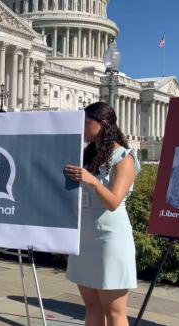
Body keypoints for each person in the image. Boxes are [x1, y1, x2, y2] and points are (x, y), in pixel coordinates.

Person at [64, 102, 140, 326]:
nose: (83, 129)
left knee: (115, 312)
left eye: (87, 124)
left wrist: (91, 180)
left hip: (111, 239)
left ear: (103, 124)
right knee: (92, 307)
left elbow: (114, 202)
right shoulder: (87, 155)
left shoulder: (124, 158)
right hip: (84, 237)